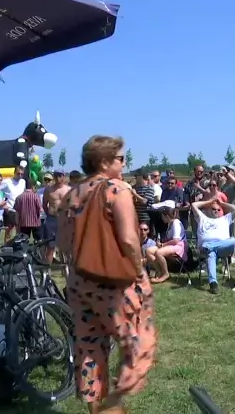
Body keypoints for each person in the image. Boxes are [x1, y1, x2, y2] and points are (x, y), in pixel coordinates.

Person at [66, 135, 155, 414]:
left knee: (89, 349)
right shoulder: (117, 189)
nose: (125, 163)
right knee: (138, 342)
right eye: (121, 158)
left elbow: (62, 243)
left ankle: (97, 409)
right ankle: (113, 405)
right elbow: (129, 238)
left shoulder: (72, 193)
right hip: (114, 283)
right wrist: (139, 270)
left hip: (80, 281)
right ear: (104, 162)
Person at [191, 199, 235, 294]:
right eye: (213, 209)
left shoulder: (225, 219)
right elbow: (193, 205)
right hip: (208, 251)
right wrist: (208, 202)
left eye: (218, 209)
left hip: (223, 248)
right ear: (208, 209)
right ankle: (213, 283)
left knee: (233, 240)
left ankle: (209, 246)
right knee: (211, 254)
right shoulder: (202, 218)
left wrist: (222, 203)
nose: (216, 211)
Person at [145, 207, 188, 284]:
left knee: (158, 252)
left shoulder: (176, 223)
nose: (161, 218)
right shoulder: (170, 224)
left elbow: (176, 240)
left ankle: (165, 274)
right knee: (148, 251)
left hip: (180, 246)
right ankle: (159, 272)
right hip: (172, 246)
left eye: (162, 216)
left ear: (166, 216)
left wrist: (162, 244)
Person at [42, 171, 70, 262]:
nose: (58, 178)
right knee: (51, 246)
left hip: (64, 219)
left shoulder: (68, 190)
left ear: (64, 176)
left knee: (65, 246)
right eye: (56, 176)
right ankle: (47, 271)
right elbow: (44, 204)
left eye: (60, 176)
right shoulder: (49, 190)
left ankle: (67, 270)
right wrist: (50, 214)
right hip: (52, 219)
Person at [0, 166, 26, 243]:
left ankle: (18, 249)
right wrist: (3, 204)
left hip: (20, 210)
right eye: (18, 174)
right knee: (8, 232)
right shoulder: (7, 182)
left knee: (20, 233)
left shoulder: (23, 182)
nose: (20, 176)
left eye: (22, 174)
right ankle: (6, 249)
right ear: (14, 173)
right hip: (10, 210)